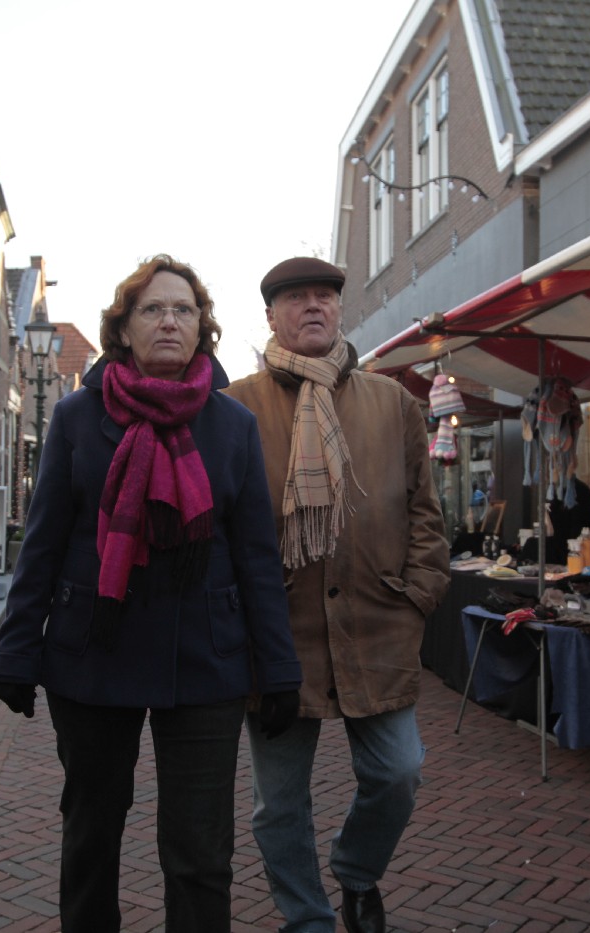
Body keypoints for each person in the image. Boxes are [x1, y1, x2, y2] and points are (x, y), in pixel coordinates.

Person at [0, 255, 302, 932]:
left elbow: (256, 556)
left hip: (205, 659)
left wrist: (278, 667)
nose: (169, 321)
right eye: (152, 309)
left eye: (183, 309)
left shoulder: (233, 426)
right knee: (91, 835)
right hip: (93, 654)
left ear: (202, 328)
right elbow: (42, 544)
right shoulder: (75, 418)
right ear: (122, 328)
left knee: (200, 853)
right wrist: (14, 651)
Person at [225, 257, 450, 933]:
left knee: (399, 771)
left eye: (324, 295)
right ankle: (308, 920)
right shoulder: (236, 407)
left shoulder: (393, 403)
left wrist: (417, 594)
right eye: (296, 298)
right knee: (277, 804)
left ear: (341, 308)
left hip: (376, 627)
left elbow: (426, 513)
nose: (313, 306)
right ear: (271, 316)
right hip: (278, 637)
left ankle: (356, 870)